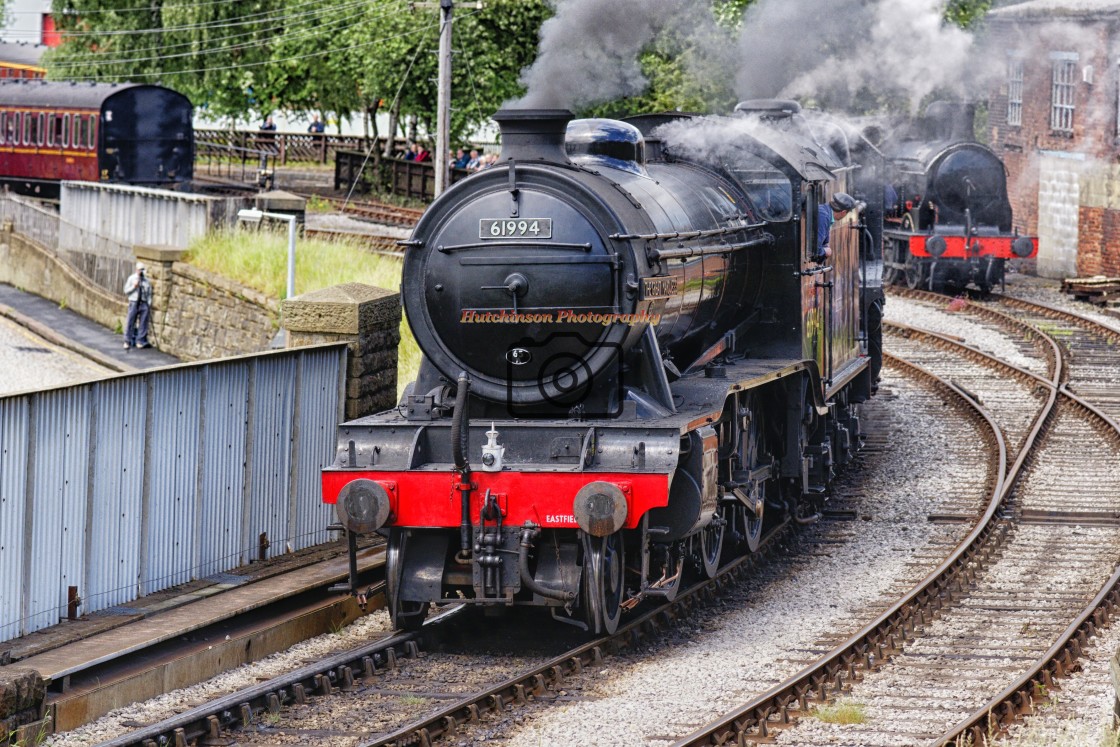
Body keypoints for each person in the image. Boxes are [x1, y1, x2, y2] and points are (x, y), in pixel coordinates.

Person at [123, 261, 154, 350]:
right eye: (140, 270)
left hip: (143, 303)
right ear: (136, 270)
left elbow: (149, 293)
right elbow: (126, 291)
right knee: (130, 321)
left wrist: (148, 303)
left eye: (143, 270)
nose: (141, 272)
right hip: (134, 302)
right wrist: (134, 286)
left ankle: (140, 341)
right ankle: (127, 341)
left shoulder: (146, 281)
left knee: (143, 323)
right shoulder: (131, 279)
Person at [817, 192, 856, 261]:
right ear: (843, 212)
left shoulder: (826, 212)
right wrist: (825, 252)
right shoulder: (823, 216)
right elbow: (815, 249)